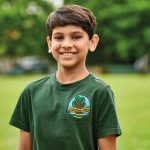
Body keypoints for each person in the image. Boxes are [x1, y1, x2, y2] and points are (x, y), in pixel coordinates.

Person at [9, 4, 122, 150]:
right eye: (59, 37)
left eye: (76, 37)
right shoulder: (31, 92)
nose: (67, 44)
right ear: (50, 43)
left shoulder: (100, 92)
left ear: (92, 42)